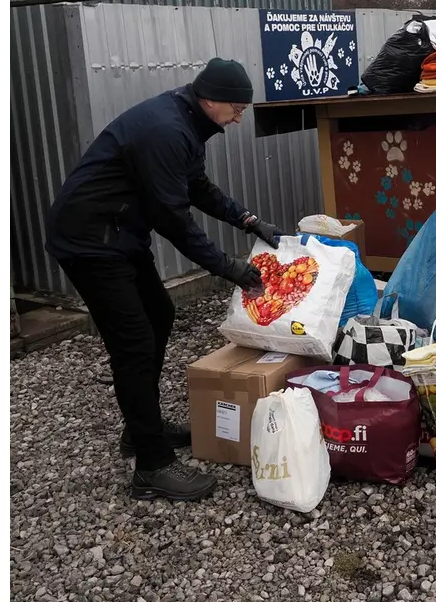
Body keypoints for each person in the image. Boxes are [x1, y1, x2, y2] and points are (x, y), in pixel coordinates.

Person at [46, 58, 284, 501]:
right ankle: (151, 466)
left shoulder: (186, 123)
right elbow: (173, 219)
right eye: (236, 108)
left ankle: (142, 430)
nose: (239, 117)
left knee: (160, 312)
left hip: (119, 233)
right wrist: (227, 267)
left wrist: (250, 221)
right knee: (133, 340)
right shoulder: (165, 131)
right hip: (90, 240)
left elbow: (197, 188)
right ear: (209, 98)